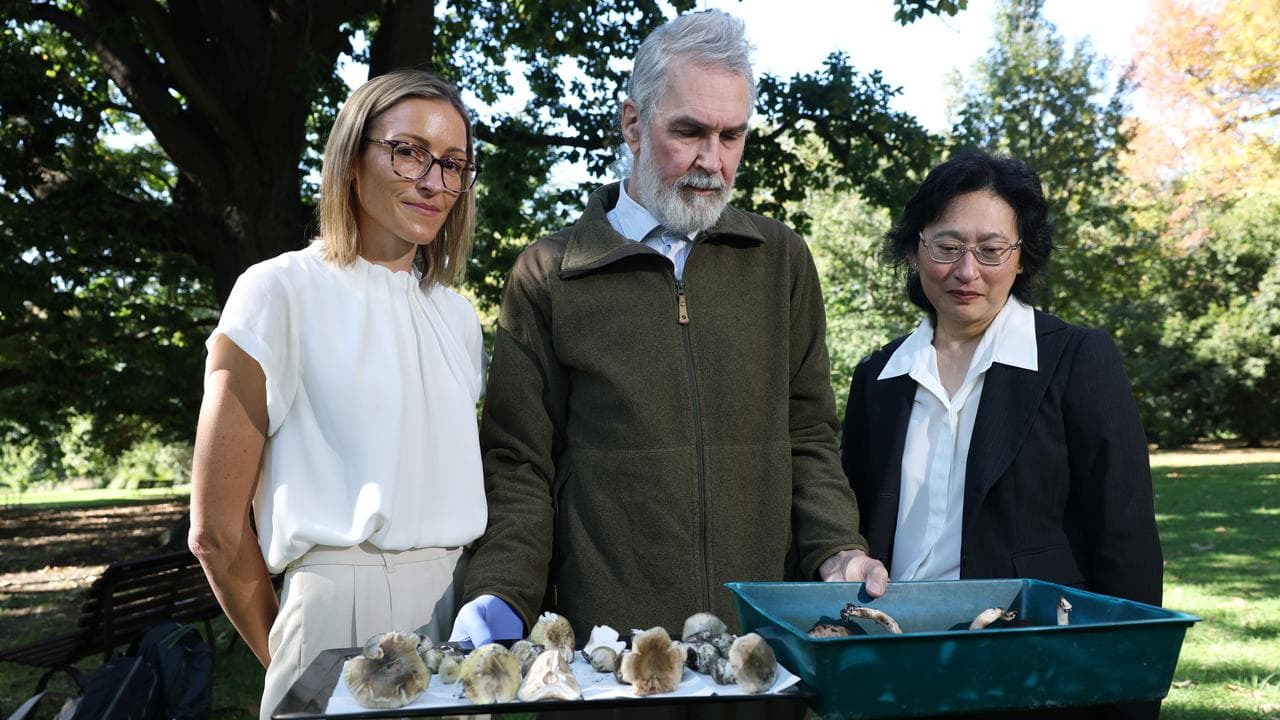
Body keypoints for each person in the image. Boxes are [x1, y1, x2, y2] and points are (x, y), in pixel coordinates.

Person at [450, 10, 887, 648]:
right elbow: (519, 463)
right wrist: (502, 591)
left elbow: (810, 437)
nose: (712, 160)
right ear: (632, 123)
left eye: (732, 136)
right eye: (689, 131)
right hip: (609, 651)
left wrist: (837, 549)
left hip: (760, 648)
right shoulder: (550, 274)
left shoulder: (780, 260)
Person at [188, 69, 486, 720]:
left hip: (460, 618)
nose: (434, 182)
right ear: (351, 159)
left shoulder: (458, 317)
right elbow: (214, 531)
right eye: (408, 152)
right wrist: (296, 653)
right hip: (337, 617)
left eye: (454, 164)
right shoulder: (278, 292)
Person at [840, 152, 1162, 719]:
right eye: (947, 247)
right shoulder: (878, 377)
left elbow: (1126, 541)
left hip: (1032, 673)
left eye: (991, 250)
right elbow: (855, 522)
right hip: (894, 667)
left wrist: (1127, 695)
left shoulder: (1077, 359)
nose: (967, 271)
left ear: (1022, 257)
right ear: (915, 251)